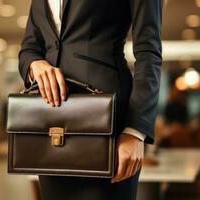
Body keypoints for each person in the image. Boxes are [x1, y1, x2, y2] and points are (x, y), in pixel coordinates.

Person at [18, 0, 162, 199]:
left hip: (107, 122)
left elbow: (149, 53)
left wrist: (136, 131)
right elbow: (29, 48)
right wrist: (35, 64)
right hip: (54, 126)